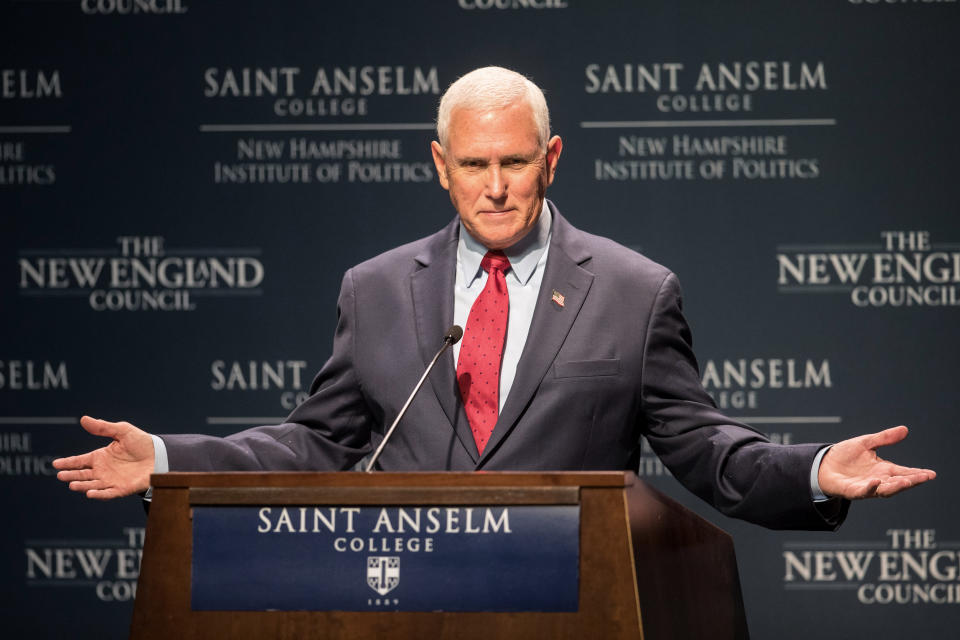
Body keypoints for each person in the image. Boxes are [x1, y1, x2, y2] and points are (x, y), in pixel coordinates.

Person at [53, 67, 935, 529]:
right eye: (474, 165)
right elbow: (312, 444)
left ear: (551, 161)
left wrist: (816, 470)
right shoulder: (376, 290)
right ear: (442, 168)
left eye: (516, 162)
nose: (497, 187)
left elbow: (707, 452)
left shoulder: (633, 291)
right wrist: (171, 461)